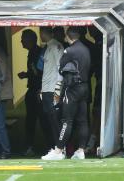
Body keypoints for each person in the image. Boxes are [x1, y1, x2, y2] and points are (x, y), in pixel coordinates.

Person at [41, 27, 91, 161]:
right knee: (82, 120)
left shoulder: (69, 50)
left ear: (68, 37)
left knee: (66, 120)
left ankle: (58, 150)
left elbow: (61, 67)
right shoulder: (86, 49)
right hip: (85, 87)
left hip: (73, 88)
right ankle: (81, 150)